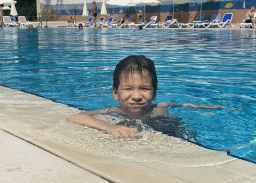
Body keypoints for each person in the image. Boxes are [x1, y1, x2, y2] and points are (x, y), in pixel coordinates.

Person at [68, 55, 241, 138]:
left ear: (155, 93)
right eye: (128, 89)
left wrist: (213, 107)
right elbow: (76, 116)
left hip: (172, 130)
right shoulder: (114, 110)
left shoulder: (161, 106)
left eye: (144, 89)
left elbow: (186, 105)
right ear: (115, 93)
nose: (136, 96)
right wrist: (111, 128)